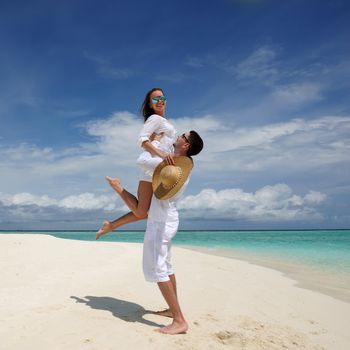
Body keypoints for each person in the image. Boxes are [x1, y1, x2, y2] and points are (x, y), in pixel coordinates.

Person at [98, 130, 204, 335]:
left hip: (161, 222)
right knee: (167, 266)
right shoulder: (180, 167)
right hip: (167, 219)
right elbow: (141, 211)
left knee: (158, 269)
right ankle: (171, 310)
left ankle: (179, 320)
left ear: (186, 145)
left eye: (183, 135)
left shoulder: (168, 165)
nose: (179, 135)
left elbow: (142, 160)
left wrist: (153, 141)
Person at [96, 88, 176, 239]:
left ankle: (110, 225)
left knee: (146, 212)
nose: (159, 101)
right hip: (151, 168)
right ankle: (117, 187)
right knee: (142, 212)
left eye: (162, 97)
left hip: (160, 168)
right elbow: (142, 139)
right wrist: (161, 154)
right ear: (150, 104)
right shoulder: (155, 119)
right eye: (155, 99)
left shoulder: (162, 121)